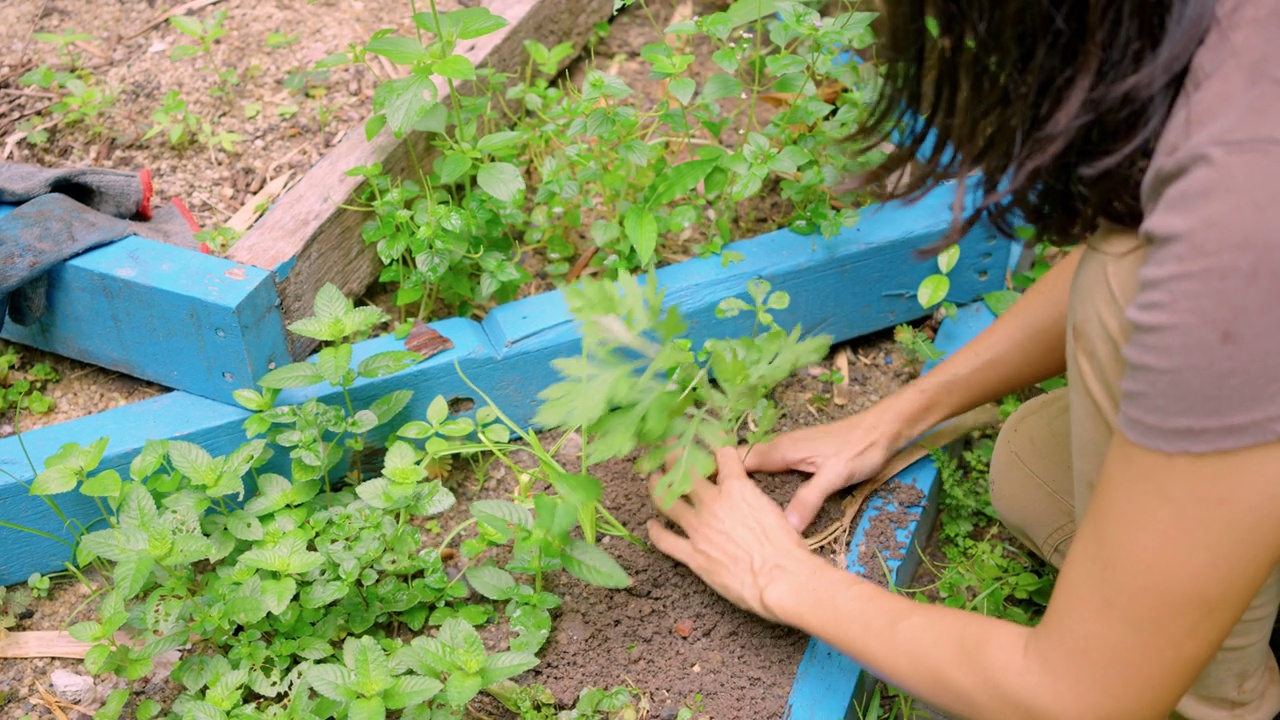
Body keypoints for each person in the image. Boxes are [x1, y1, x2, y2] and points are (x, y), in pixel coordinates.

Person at [644, 1, 1280, 718]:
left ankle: (1225, 704)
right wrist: (899, 414)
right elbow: (1151, 251)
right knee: (1037, 469)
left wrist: (778, 574)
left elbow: (1081, 700)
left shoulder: (1244, 204)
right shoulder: (1225, 51)